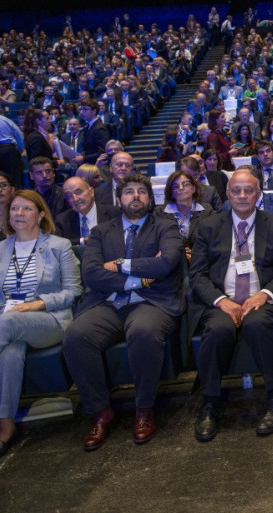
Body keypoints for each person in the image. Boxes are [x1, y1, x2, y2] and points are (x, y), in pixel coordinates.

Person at [63, 173, 185, 451]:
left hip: (152, 301)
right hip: (109, 302)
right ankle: (99, 412)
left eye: (141, 191)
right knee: (76, 335)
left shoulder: (166, 226)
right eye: (129, 192)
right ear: (119, 199)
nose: (136, 197)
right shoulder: (101, 232)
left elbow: (166, 263)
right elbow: (92, 273)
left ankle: (144, 409)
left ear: (150, 197)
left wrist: (117, 264)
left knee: (143, 331)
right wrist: (138, 276)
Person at [0, 190, 81, 462]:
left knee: (8, 320)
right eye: (14, 209)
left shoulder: (58, 246)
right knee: (8, 350)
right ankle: (5, 429)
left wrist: (37, 304)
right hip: (4, 327)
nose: (19, 213)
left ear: (40, 215)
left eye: (26, 208)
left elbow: (73, 291)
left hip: (49, 321)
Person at [188, 168, 273, 441]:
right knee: (217, 331)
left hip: (261, 300)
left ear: (258, 194)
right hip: (220, 301)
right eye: (236, 190)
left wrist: (264, 295)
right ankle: (210, 402)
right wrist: (220, 300)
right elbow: (197, 275)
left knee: (258, 325)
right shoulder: (208, 226)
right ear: (227, 193)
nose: (242, 195)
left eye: (249, 190)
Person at [153, 170, 213, 260]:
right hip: (170, 261)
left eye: (186, 184)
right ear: (171, 192)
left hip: (201, 260)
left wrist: (193, 255)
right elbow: (157, 241)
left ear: (194, 188)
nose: (181, 188)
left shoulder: (207, 211)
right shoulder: (160, 212)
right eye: (175, 186)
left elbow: (211, 240)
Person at [54, 175, 121, 245]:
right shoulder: (62, 220)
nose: (75, 199)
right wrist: (83, 240)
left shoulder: (114, 213)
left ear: (91, 192)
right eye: (69, 196)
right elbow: (59, 245)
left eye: (78, 192)